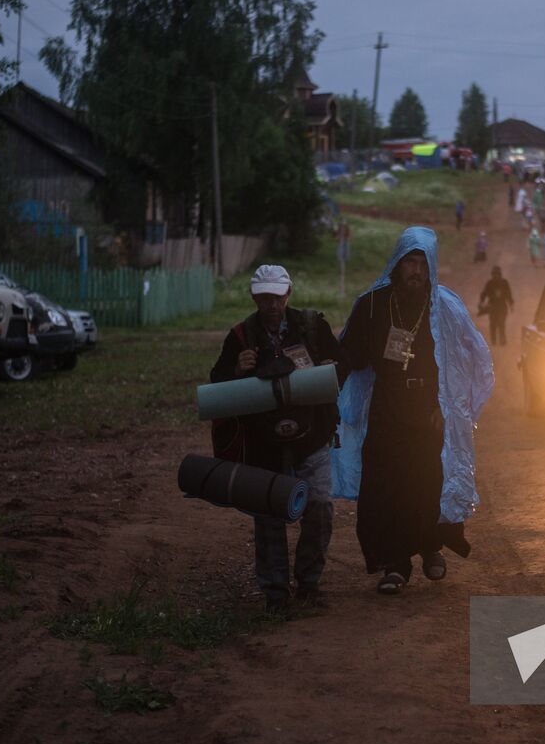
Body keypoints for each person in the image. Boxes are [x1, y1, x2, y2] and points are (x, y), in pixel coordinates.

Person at [334, 227, 494, 594]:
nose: (416, 271)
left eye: (423, 263)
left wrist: (453, 409)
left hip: (430, 412)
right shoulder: (373, 305)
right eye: (410, 261)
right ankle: (394, 564)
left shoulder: (446, 308)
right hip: (388, 409)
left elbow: (472, 361)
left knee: (428, 483)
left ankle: (430, 548)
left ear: (431, 265)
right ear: (397, 262)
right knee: (386, 486)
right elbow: (350, 357)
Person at [209, 265, 348, 612]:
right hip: (263, 443)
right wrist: (237, 371)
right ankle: (275, 595)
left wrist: (319, 368)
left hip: (312, 437)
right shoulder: (240, 337)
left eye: (277, 296)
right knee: (268, 517)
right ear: (255, 298)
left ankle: (309, 584)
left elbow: (340, 369)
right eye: (265, 297)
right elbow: (217, 384)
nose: (272, 304)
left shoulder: (313, 327)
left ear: (289, 294)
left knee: (319, 508)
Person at [478, 265, 515, 346]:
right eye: (494, 274)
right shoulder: (490, 283)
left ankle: (502, 340)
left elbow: (509, 294)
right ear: (492, 275)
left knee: (501, 323)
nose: (496, 276)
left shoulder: (504, 283)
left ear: (500, 274)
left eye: (497, 274)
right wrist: (481, 302)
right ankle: (493, 340)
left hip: (502, 306)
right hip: (492, 307)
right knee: (493, 324)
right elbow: (484, 294)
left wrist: (511, 304)